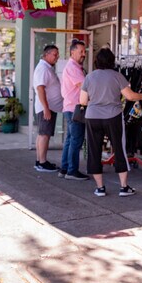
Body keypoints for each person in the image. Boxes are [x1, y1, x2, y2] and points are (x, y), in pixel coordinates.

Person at [80, 48, 142, 197]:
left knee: (94, 150)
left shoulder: (89, 77)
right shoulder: (117, 76)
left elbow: (82, 101)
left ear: (97, 61)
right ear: (112, 61)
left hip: (92, 118)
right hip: (113, 116)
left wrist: (97, 100)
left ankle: (100, 188)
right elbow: (129, 96)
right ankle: (123, 187)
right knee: (119, 149)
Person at [60, 39, 89, 180]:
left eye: (84, 51)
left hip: (70, 107)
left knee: (70, 140)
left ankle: (65, 169)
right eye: (81, 51)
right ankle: (72, 171)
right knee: (76, 140)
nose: (84, 54)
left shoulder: (74, 67)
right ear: (72, 52)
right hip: (75, 108)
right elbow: (84, 86)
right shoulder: (72, 67)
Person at [33, 44, 63, 173]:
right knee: (44, 134)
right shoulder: (43, 69)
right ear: (46, 55)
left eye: (57, 55)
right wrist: (46, 108)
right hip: (46, 107)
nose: (57, 57)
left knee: (42, 134)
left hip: (48, 107)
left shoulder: (46, 68)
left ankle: (40, 161)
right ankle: (42, 162)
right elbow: (40, 88)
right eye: (55, 55)